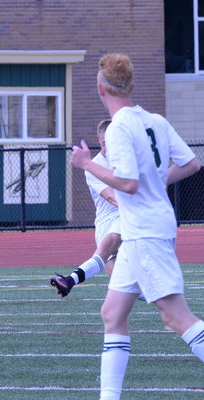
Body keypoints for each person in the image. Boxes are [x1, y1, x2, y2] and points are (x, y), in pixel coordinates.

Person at [63, 53, 204, 400]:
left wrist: (87, 164)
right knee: (112, 313)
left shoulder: (119, 127)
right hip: (144, 228)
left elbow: (129, 183)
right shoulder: (154, 120)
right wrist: (155, 183)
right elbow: (191, 164)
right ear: (132, 85)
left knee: (175, 316)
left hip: (144, 232)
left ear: (100, 89)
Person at [50, 119, 122, 297]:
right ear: (98, 140)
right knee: (121, 284)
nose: (109, 146)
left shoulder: (127, 160)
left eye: (112, 141)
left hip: (126, 218)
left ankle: (69, 280)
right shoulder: (93, 167)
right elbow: (111, 197)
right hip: (108, 221)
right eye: (104, 142)